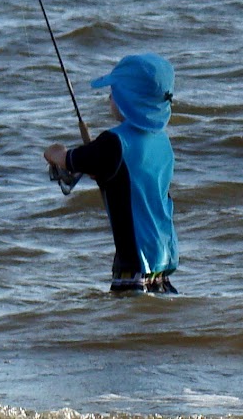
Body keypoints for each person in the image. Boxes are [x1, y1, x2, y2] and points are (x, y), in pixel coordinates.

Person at [44, 53, 180, 292]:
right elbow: (133, 179)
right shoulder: (162, 142)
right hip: (163, 263)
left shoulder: (113, 143)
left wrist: (55, 152)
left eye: (114, 92)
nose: (110, 97)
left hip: (132, 268)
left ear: (130, 99)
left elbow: (70, 160)